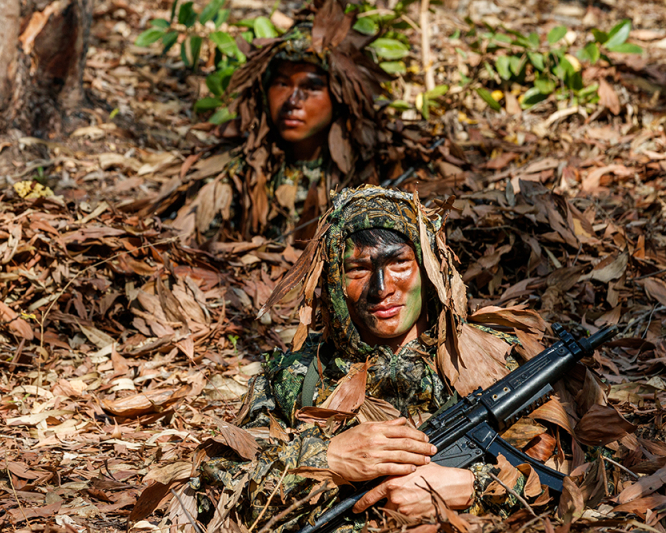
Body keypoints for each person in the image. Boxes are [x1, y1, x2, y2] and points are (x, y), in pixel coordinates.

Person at [190, 186, 534, 532]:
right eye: (358, 269)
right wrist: (327, 458)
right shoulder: (294, 378)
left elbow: (555, 472)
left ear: (428, 269)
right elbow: (219, 491)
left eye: (399, 263)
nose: (382, 288)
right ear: (335, 281)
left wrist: (474, 488)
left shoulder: (493, 361)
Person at [152, 0, 420, 245]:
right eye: (282, 83)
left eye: (311, 87)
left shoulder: (377, 168)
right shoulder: (237, 170)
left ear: (340, 97)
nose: (292, 100)